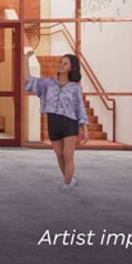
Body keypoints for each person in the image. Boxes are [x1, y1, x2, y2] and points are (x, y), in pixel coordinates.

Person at [23, 51, 89, 190]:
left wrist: (84, 127)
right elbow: (29, 82)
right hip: (53, 122)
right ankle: (70, 179)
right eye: (60, 62)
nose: (61, 65)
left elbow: (80, 107)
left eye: (65, 63)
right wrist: (25, 60)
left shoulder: (75, 88)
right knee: (59, 156)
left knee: (67, 155)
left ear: (72, 68)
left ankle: (66, 185)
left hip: (69, 123)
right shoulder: (48, 83)